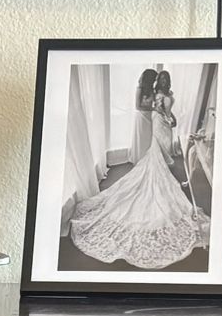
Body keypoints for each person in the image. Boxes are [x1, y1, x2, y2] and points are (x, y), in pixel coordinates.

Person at [67, 81, 208, 270]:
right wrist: (163, 113)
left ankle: (160, 169)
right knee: (156, 151)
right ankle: (158, 170)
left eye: (164, 80)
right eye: (162, 80)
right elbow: (159, 111)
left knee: (159, 151)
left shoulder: (166, 95)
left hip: (161, 122)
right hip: (158, 122)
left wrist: (168, 117)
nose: (162, 83)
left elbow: (167, 113)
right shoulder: (161, 95)